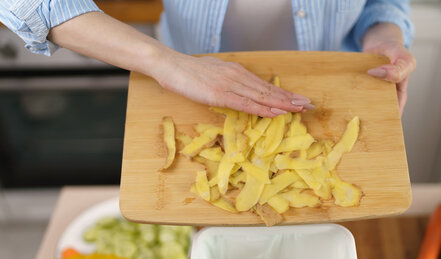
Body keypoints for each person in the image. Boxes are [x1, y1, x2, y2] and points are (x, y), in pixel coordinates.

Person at [0, 0, 415, 116]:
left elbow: (383, 2)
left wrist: (385, 34)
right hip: (191, 94)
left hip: (332, 99)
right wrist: (168, 63)